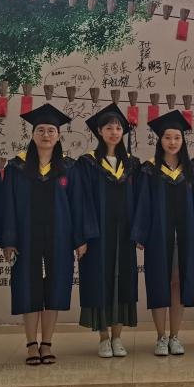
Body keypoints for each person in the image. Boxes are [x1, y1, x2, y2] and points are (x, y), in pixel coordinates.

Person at [0, 104, 91, 365]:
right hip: (25, 237)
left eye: (51, 130)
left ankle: (47, 343)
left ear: (59, 136)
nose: (46, 135)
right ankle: (31, 344)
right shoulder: (17, 168)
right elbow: (8, 205)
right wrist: (8, 240)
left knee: (55, 287)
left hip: (60, 237)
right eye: (41, 130)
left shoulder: (69, 168)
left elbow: (77, 205)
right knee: (27, 288)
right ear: (32, 134)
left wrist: (80, 239)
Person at [131, 110, 194, 356]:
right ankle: (160, 337)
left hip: (184, 237)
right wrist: (140, 233)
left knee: (178, 284)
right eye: (167, 137)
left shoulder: (191, 170)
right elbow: (143, 202)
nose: (172, 142)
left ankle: (175, 336)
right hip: (157, 236)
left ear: (182, 140)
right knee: (159, 283)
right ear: (160, 140)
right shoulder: (149, 170)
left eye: (177, 137)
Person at [75, 103, 141, 358]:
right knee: (99, 280)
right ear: (99, 131)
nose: (114, 132)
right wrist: (83, 236)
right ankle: (103, 337)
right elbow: (82, 201)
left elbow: (140, 201)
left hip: (125, 234)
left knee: (123, 280)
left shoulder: (132, 164)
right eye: (109, 128)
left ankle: (118, 337)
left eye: (118, 128)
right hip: (97, 234)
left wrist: (138, 232)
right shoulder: (87, 163)